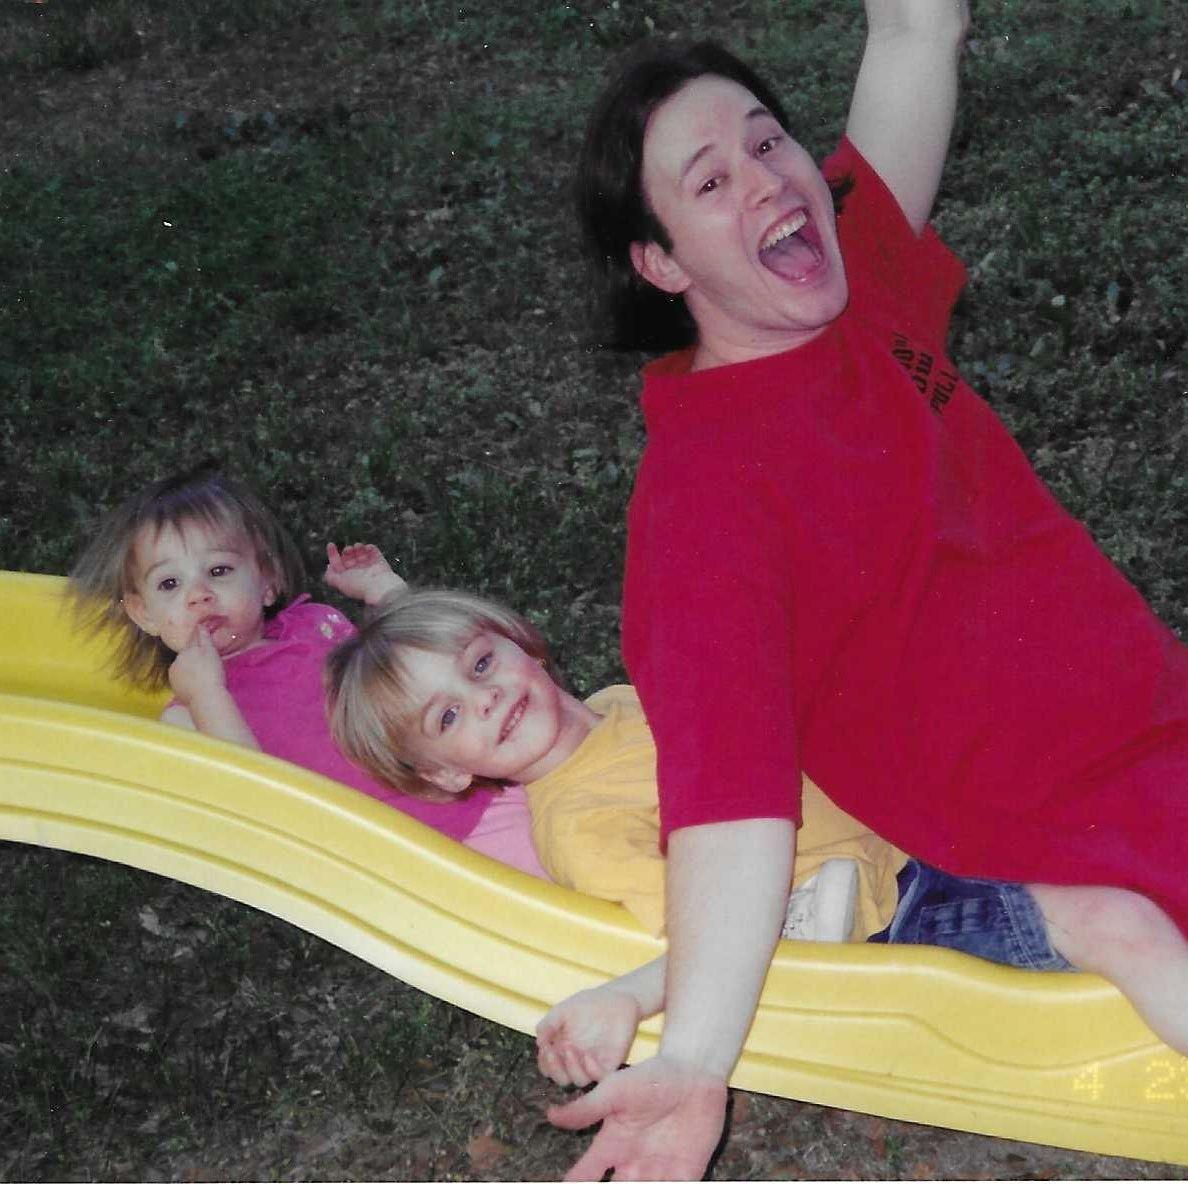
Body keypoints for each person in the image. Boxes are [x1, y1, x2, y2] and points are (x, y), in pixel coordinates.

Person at [551, 1, 1188, 1179]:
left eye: (766, 139)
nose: (766, 180)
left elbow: (911, 34)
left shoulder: (863, 278)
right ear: (661, 262)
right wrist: (694, 1057)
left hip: (1151, 713)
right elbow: (731, 807)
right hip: (1045, 813)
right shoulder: (703, 503)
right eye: (708, 181)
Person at [66, 465, 548, 877]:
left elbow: (414, 670)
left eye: (219, 572)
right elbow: (256, 803)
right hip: (430, 846)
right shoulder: (190, 714)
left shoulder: (317, 625)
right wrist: (208, 694)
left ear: (268, 579)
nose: (199, 595)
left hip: (480, 780)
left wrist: (387, 594)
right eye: (170, 584)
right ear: (144, 613)